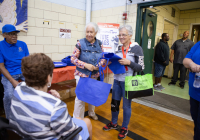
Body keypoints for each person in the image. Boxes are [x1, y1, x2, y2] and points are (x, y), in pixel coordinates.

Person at [9, 53, 92, 140]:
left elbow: (33, 96)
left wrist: (48, 94)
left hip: (24, 136)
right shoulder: (55, 107)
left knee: (78, 118)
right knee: (87, 122)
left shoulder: (19, 87)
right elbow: (71, 132)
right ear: (48, 78)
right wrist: (53, 102)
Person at [102, 25, 144, 139]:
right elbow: (115, 60)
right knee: (114, 104)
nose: (121, 37)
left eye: (124, 35)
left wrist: (129, 63)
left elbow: (141, 67)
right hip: (117, 80)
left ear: (130, 35)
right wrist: (109, 62)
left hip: (128, 82)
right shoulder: (118, 48)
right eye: (119, 35)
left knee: (126, 106)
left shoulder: (137, 48)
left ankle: (124, 127)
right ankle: (114, 123)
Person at [71, 22, 105, 120]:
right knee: (80, 98)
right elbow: (73, 59)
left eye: (91, 32)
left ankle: (91, 113)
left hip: (94, 75)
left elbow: (103, 57)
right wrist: (85, 65)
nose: (89, 34)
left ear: (96, 32)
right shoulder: (80, 43)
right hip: (82, 75)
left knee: (92, 95)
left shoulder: (99, 44)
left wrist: (98, 65)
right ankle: (78, 119)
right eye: (87, 32)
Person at [0, 24, 29, 118]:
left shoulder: (22, 44)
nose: (14, 36)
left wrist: (29, 75)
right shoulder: (0, 46)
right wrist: (13, 81)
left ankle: (31, 113)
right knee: (8, 95)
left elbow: (27, 62)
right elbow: (1, 66)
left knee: (36, 88)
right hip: (9, 74)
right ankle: (9, 119)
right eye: (11, 34)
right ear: (4, 35)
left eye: (15, 34)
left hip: (23, 71)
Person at [183, 41, 200, 140]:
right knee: (195, 119)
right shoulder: (198, 44)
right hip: (194, 92)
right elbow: (185, 60)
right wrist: (192, 64)